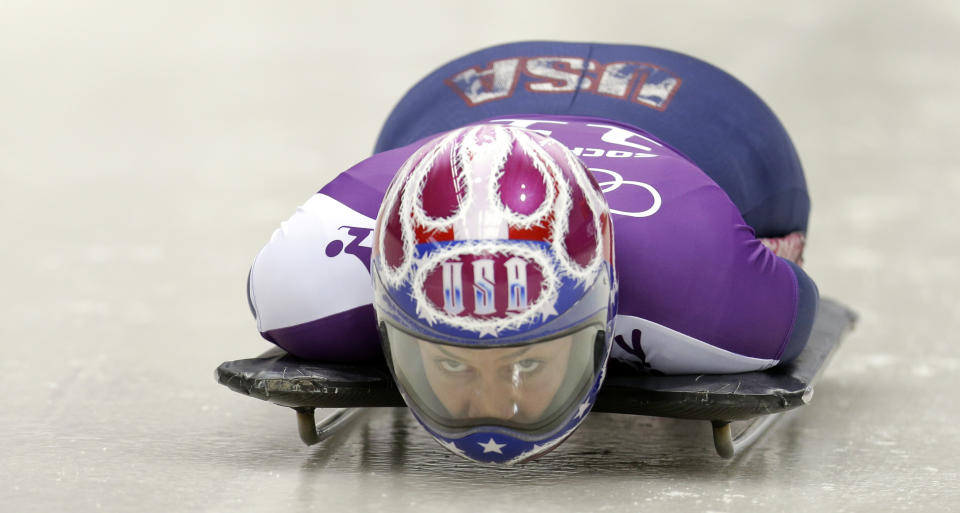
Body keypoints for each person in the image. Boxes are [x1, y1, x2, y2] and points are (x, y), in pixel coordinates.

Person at [245, 42, 818, 464]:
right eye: (449, 362)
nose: (494, 406)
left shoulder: (705, 286)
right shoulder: (304, 282)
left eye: (527, 363)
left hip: (711, 120)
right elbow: (803, 306)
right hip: (468, 100)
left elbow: (799, 306)